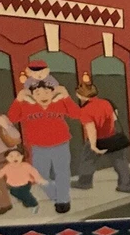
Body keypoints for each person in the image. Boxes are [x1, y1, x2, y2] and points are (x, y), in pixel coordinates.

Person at [6, 79, 82, 214]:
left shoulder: (59, 102)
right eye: (38, 93)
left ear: (53, 93)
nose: (43, 96)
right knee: (40, 176)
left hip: (61, 144)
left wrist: (66, 96)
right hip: (38, 147)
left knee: (62, 173)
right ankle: (56, 196)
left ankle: (63, 200)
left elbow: (76, 114)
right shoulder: (26, 105)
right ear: (32, 95)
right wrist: (18, 99)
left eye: (47, 92)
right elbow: (11, 118)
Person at [71, 81, 130, 194]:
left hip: (98, 139)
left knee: (88, 161)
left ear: (80, 95)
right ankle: (127, 185)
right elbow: (114, 118)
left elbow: (91, 129)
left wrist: (93, 146)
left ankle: (85, 182)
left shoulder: (85, 110)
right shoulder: (106, 102)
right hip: (112, 137)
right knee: (120, 162)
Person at [0, 148, 44, 213]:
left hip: (25, 184)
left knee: (25, 193)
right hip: (14, 185)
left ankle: (34, 204)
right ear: (7, 158)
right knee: (14, 192)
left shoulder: (25, 165)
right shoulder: (7, 167)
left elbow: (34, 172)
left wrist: (39, 179)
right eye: (11, 156)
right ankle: (27, 200)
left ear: (22, 156)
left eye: (18, 155)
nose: (15, 158)